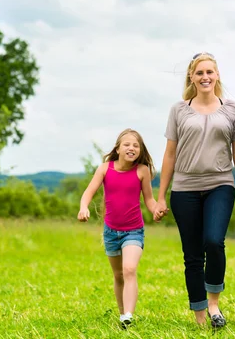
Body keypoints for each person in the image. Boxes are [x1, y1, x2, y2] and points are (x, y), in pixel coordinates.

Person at [157, 52, 235, 328]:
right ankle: (200, 316)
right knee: (193, 254)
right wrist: (161, 195)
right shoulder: (179, 110)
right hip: (184, 188)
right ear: (192, 77)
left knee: (214, 241)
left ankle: (214, 304)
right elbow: (170, 154)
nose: (205, 77)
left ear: (217, 75)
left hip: (220, 184)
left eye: (210, 72)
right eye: (199, 73)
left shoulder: (232, 109)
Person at [77, 128, 166, 328]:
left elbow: (149, 200)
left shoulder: (142, 171)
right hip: (110, 231)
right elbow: (88, 192)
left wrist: (156, 211)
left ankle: (128, 315)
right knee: (118, 275)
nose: (131, 148)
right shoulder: (104, 169)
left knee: (129, 269)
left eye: (136, 145)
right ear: (118, 149)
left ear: (140, 150)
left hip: (133, 231)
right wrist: (84, 208)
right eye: (127, 144)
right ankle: (122, 315)